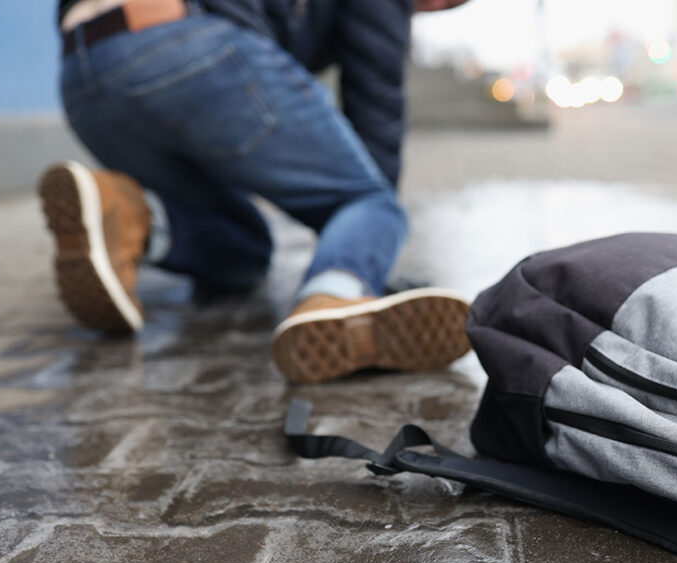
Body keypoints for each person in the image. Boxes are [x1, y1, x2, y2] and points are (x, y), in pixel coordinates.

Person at [40, 0, 471, 383]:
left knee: (244, 250)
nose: (426, 11)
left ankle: (132, 216)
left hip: (82, 73)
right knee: (372, 202)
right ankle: (335, 299)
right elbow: (375, 100)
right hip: (185, 43)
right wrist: (363, 250)